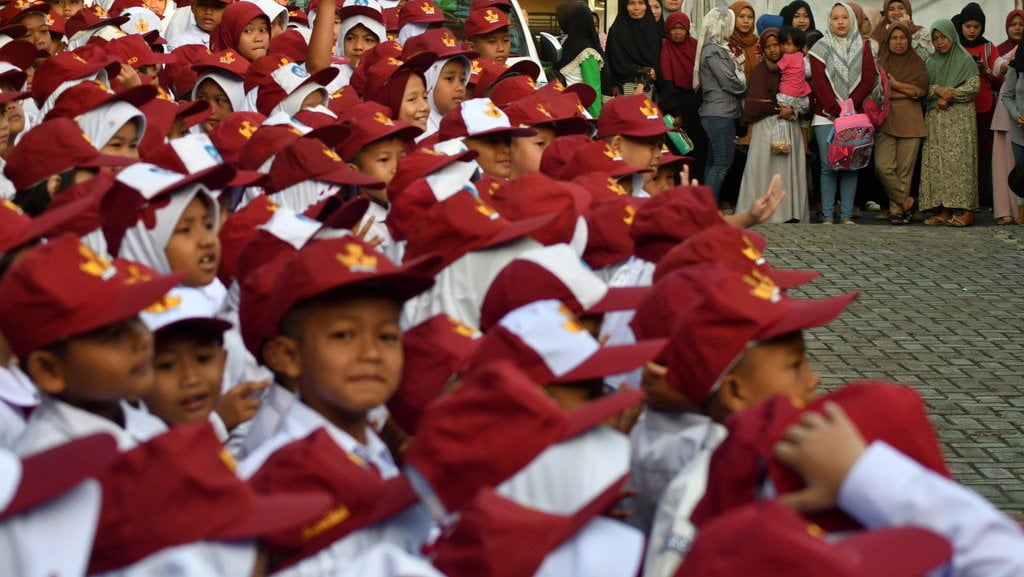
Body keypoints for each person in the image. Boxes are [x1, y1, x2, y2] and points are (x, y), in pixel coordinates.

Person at [641, 263, 857, 577]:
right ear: (735, 391)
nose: (813, 379)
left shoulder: (794, 454)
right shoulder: (701, 494)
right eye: (795, 365)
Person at [0, 235, 178, 456]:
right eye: (114, 335)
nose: (142, 339)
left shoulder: (146, 424)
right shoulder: (49, 464)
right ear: (49, 370)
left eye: (136, 318)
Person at [808, 2, 877, 225]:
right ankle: (828, 216)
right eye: (835, 18)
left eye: (844, 17)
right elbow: (818, 82)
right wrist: (836, 110)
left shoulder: (864, 46)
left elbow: (868, 80)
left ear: (852, 20)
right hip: (825, 116)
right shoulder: (819, 48)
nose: (840, 22)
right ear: (829, 20)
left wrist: (848, 108)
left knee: (850, 165)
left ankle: (846, 215)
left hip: (853, 116)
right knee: (829, 165)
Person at [736, 27, 808, 223]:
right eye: (767, 47)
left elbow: (804, 98)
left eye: (776, 45)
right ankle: (759, 213)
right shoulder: (760, 71)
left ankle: (788, 213)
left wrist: (792, 111)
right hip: (764, 128)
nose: (773, 50)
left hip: (788, 126)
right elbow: (754, 105)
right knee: (762, 171)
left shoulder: (795, 67)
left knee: (785, 173)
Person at [920, 19, 979, 227]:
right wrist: (937, 90)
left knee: (960, 164)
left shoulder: (965, 60)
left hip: (959, 119)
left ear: (951, 36)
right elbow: (922, 87)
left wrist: (951, 95)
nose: (939, 42)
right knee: (938, 164)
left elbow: (973, 86)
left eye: (943, 37)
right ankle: (944, 209)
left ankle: (967, 210)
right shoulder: (931, 62)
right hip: (936, 119)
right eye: (935, 39)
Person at [874, 22, 928, 225]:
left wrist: (896, 86)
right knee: (883, 166)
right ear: (888, 41)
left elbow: (921, 90)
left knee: (904, 171)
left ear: (908, 40)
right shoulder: (880, 62)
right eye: (894, 38)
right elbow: (877, 90)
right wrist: (908, 91)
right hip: (886, 118)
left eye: (902, 38)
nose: (898, 42)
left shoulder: (916, 62)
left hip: (911, 120)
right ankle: (906, 201)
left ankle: (897, 210)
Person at [695, 7, 746, 203]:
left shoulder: (718, 48)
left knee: (714, 162)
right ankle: (708, 209)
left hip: (721, 113)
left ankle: (706, 207)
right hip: (719, 113)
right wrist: (746, 87)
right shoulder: (713, 51)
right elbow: (728, 81)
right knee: (722, 163)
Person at [954, 3, 1000, 210]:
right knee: (962, 152)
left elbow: (999, 80)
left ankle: (984, 196)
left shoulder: (989, 47)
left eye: (976, 26)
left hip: (984, 107)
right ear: (960, 25)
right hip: (959, 106)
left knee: (984, 152)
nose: (972, 31)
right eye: (968, 26)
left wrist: (985, 70)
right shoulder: (955, 45)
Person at [658, 11, 707, 183]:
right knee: (680, 148)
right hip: (677, 105)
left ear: (687, 29)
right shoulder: (666, 50)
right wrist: (676, 112)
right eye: (674, 29)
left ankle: (697, 184)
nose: (678, 32)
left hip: (697, 104)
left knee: (699, 147)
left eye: (681, 28)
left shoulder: (696, 46)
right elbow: (667, 83)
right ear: (668, 31)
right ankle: (680, 186)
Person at [992, 9, 1024, 224]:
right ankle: (1018, 213)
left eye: (1022, 24)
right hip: (1018, 129)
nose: (1018, 27)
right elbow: (1008, 95)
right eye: (1014, 23)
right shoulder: (1017, 59)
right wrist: (1017, 115)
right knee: (1020, 173)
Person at [555, 1, 608, 116]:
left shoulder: (587, 52)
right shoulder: (567, 43)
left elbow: (593, 90)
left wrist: (595, 122)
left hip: (580, 114)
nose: (560, 23)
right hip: (563, 109)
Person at [605, 0, 662, 98]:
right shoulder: (616, 31)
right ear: (625, 6)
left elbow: (657, 62)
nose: (636, 8)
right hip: (620, 90)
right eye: (631, 3)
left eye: (641, 3)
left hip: (649, 89)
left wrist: (642, 83)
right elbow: (611, 62)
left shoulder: (653, 30)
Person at [728, 1, 759, 81]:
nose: (746, 21)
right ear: (732, 18)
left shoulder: (759, 43)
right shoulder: (725, 44)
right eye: (741, 16)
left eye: (750, 17)